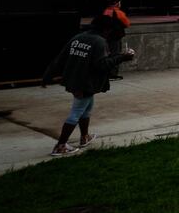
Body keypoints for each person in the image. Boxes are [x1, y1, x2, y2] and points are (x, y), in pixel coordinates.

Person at [41, 15, 134, 156]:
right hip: (85, 82)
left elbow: (60, 58)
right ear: (107, 29)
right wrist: (122, 57)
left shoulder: (78, 37)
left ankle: (85, 137)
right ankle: (60, 145)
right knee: (77, 111)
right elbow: (101, 65)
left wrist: (47, 75)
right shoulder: (99, 42)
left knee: (86, 107)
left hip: (75, 80)